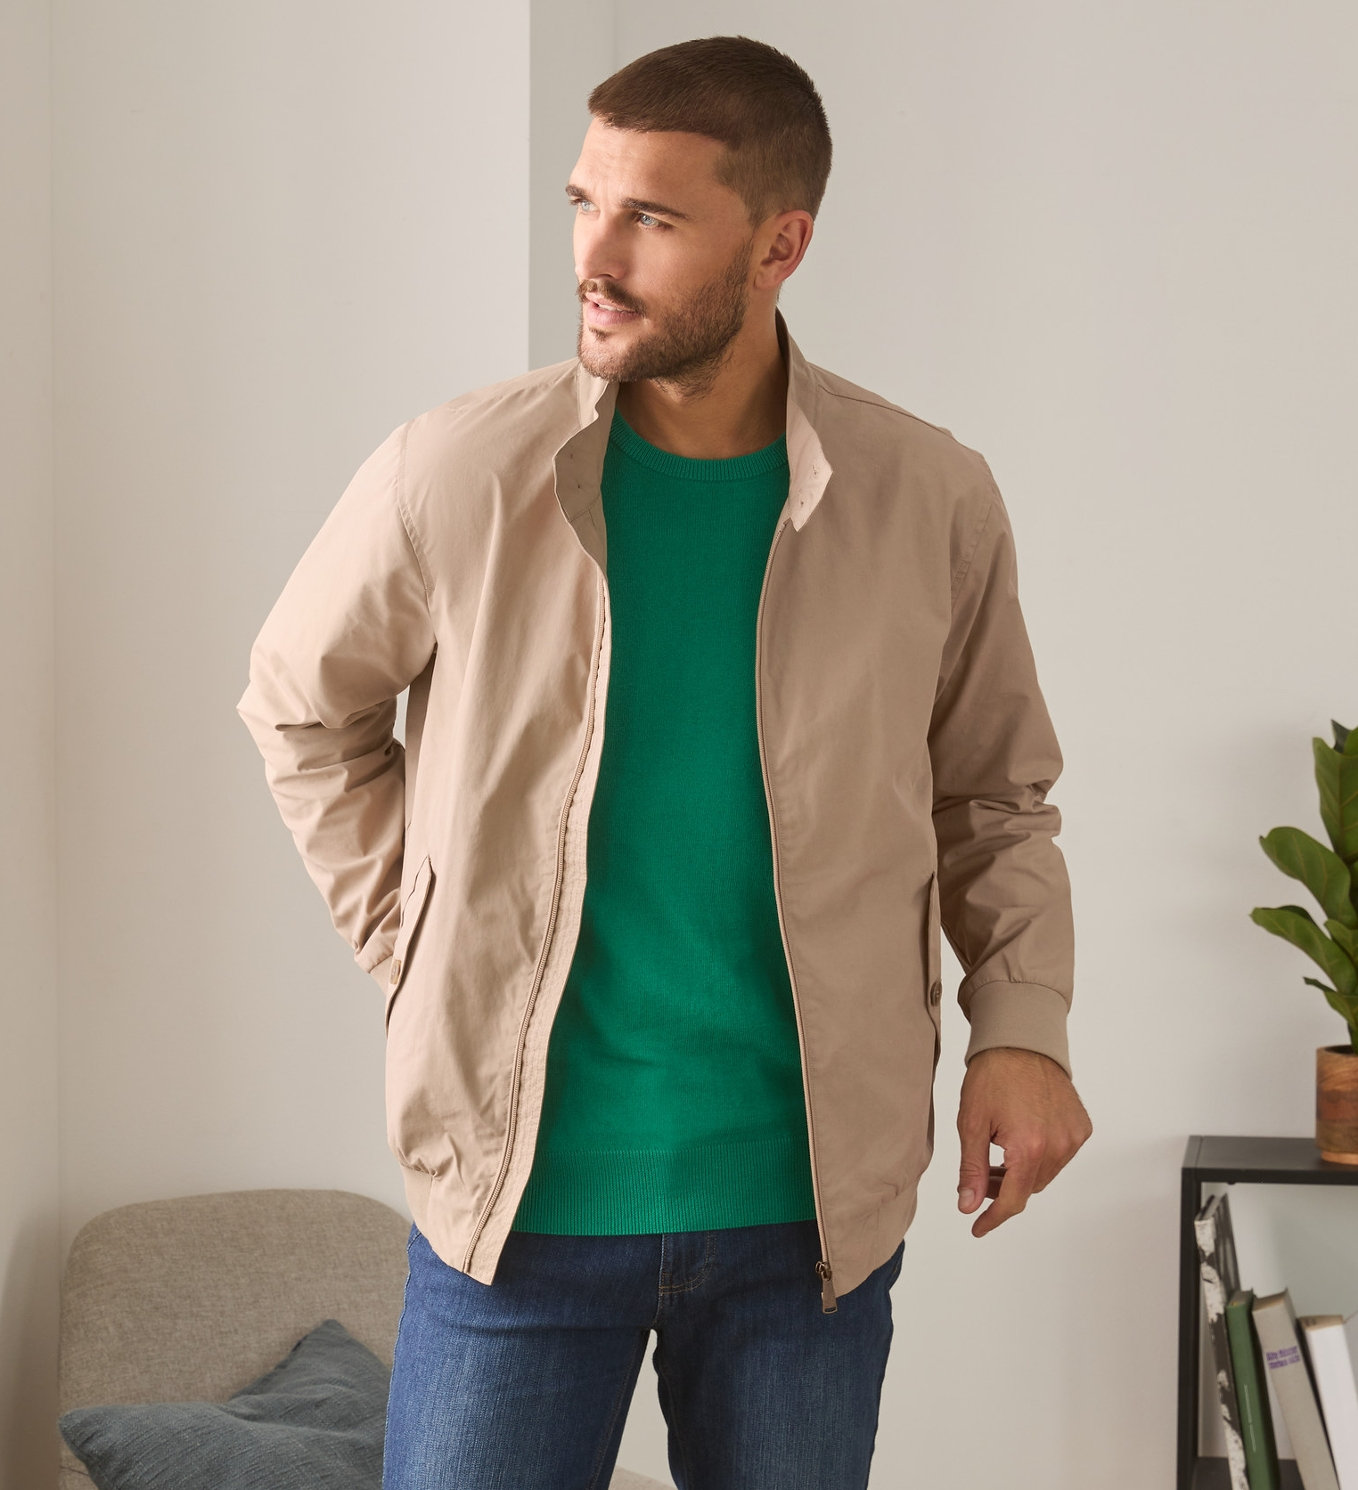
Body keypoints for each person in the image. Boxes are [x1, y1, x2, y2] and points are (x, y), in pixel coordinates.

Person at [235, 32, 1091, 1490]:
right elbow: (300, 709)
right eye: (584, 203)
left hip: (803, 1220)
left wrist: (1023, 1026)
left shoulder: (927, 496)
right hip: (518, 1205)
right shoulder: (457, 471)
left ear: (779, 245)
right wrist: (421, 937)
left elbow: (995, 793)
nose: (594, 254)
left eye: (650, 217)